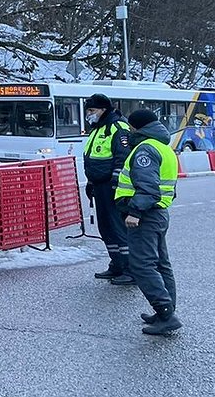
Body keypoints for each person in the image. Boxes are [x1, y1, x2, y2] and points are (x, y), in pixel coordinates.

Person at [115, 108, 181, 336]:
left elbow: (147, 186)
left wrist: (135, 212)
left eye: (130, 127)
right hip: (159, 213)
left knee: (142, 265)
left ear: (136, 128)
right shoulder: (164, 147)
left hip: (146, 214)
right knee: (161, 263)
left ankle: (165, 314)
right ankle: (167, 308)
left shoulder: (145, 149)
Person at [81, 93, 134, 285]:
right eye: (88, 111)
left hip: (113, 187)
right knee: (105, 227)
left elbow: (123, 158)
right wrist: (91, 182)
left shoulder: (117, 128)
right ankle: (117, 264)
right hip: (99, 185)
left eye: (92, 110)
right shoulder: (98, 128)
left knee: (117, 227)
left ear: (103, 110)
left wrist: (115, 183)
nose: (89, 114)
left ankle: (130, 268)